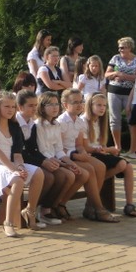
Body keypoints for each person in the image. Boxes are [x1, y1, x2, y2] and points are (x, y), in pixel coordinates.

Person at [0, 91, 44, 237]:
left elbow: (17, 154)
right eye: (6, 106)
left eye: (13, 107)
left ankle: (30, 211)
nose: (11, 110)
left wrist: (20, 167)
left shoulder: (14, 126)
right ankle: (8, 222)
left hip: (9, 162)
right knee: (17, 179)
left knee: (38, 173)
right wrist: (15, 170)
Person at [57, 88, 119, 222]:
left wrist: (83, 153)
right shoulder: (61, 122)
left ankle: (90, 206)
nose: (79, 105)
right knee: (89, 169)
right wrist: (76, 157)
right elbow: (59, 148)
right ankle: (99, 208)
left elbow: (79, 145)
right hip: (64, 156)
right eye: (75, 102)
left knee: (100, 166)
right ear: (65, 105)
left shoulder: (79, 122)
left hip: (75, 153)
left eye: (81, 101)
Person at [82, 92, 136, 217]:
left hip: (99, 153)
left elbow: (100, 145)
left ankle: (129, 205)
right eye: (98, 105)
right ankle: (92, 192)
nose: (102, 108)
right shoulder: (83, 121)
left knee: (128, 167)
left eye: (104, 105)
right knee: (121, 164)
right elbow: (86, 147)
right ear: (90, 105)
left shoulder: (99, 121)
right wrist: (108, 150)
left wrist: (108, 150)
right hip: (89, 155)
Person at [35, 91, 85, 222]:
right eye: (50, 104)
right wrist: (62, 164)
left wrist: (70, 163)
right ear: (42, 107)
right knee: (64, 175)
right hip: (43, 160)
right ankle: (41, 209)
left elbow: (59, 149)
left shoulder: (56, 124)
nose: (55, 107)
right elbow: (43, 150)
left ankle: (52, 206)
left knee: (72, 173)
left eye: (56, 104)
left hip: (54, 160)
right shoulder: (38, 125)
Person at [15, 90, 63, 226]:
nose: (34, 108)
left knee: (60, 175)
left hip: (27, 160)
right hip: (15, 161)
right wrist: (43, 162)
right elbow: (19, 152)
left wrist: (46, 161)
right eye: (30, 105)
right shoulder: (15, 123)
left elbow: (33, 150)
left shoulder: (31, 124)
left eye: (35, 105)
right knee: (48, 176)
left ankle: (43, 210)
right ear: (20, 107)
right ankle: (30, 210)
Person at [104, 37, 136, 151]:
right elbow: (106, 74)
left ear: (129, 47)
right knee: (114, 119)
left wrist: (124, 76)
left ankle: (134, 148)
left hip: (131, 93)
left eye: (122, 47)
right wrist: (116, 73)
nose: (120, 50)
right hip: (114, 91)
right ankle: (117, 147)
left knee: (132, 119)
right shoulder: (115, 58)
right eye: (119, 48)